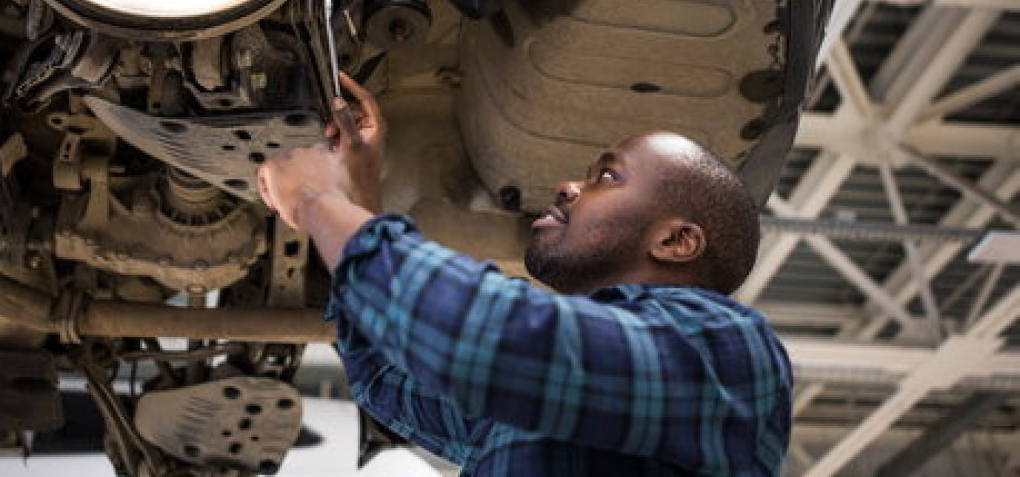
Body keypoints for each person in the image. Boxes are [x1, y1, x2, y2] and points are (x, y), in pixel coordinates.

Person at [257, 74, 792, 476]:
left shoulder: (726, 353)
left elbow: (481, 341)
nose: (566, 186)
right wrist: (360, 196)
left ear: (676, 241)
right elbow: (388, 380)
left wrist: (315, 199)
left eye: (608, 176)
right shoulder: (556, 405)